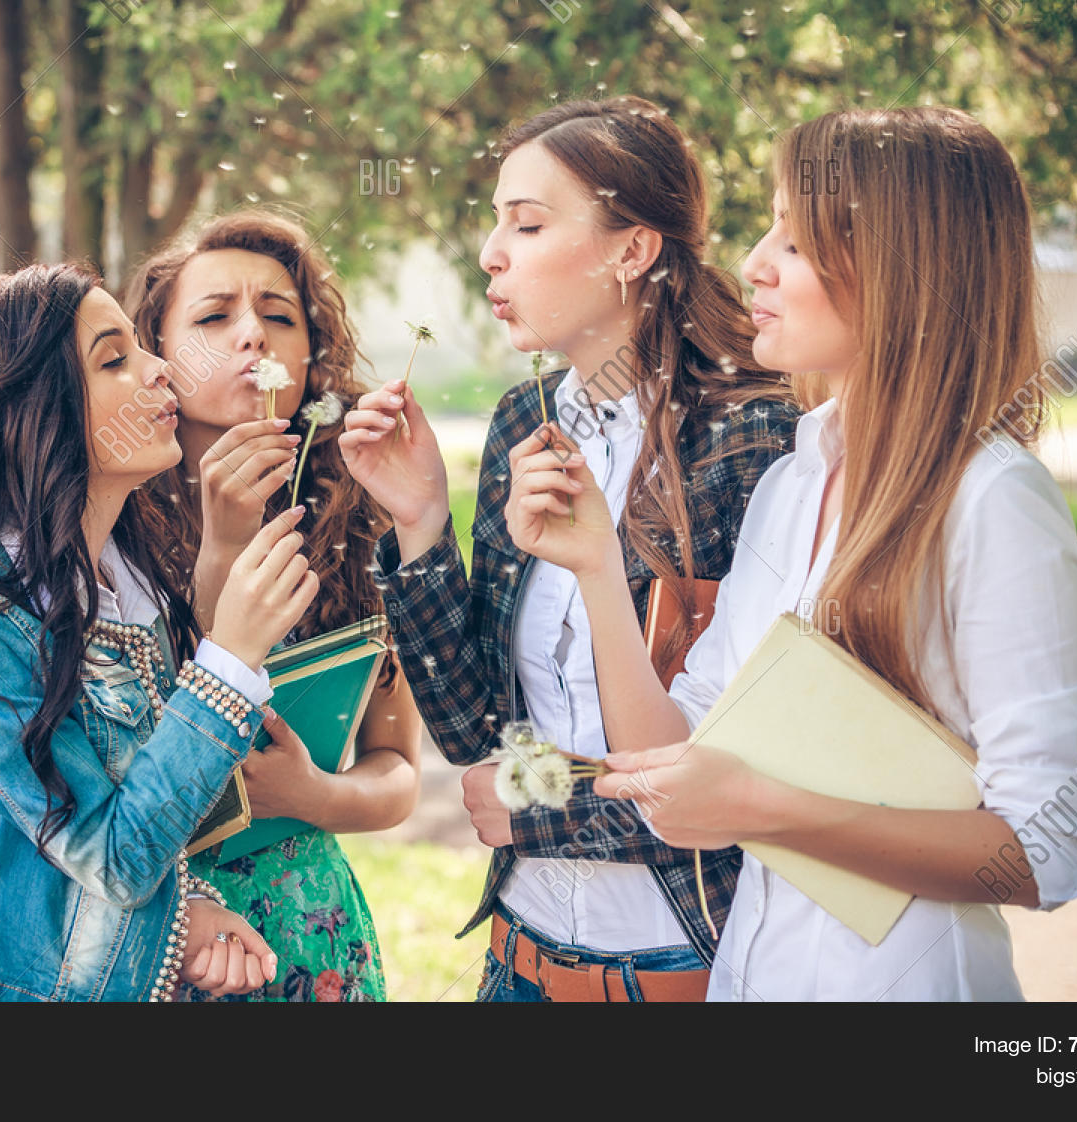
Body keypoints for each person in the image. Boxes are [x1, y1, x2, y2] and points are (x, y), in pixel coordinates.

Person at [520, 106, 1077, 1000]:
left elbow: (1045, 846)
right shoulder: (793, 483)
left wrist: (769, 811)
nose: (752, 263)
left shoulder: (993, 504)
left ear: (900, 270)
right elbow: (684, 756)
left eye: (792, 242)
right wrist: (599, 569)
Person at [339, 96, 799, 1001]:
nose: (490, 253)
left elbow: (753, 785)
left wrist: (541, 813)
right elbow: (479, 739)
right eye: (493, 221)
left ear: (634, 249)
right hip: (520, 965)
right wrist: (422, 522)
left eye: (529, 222)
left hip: (688, 970)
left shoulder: (753, 444)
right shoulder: (529, 420)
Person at [0, 263, 319, 1001]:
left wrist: (185, 918)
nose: (157, 370)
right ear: (34, 412)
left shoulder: (125, 586)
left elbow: (113, 833)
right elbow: (109, 854)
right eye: (115, 359)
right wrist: (228, 661)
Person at [126, 208, 421, 1002]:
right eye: (213, 317)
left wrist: (315, 796)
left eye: (279, 317)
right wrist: (224, 547)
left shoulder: (354, 525)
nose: (251, 336)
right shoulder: (102, 522)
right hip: (149, 932)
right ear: (154, 355)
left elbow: (396, 769)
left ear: (311, 360)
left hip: (309, 937)